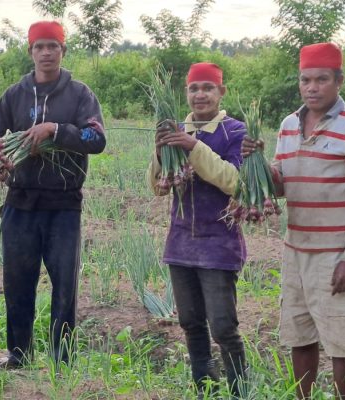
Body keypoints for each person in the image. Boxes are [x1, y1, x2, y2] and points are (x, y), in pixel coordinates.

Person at [243, 42, 345, 399]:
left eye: (322, 79)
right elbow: (282, 184)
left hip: (335, 254)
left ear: (339, 81)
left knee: (343, 342)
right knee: (299, 335)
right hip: (296, 249)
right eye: (306, 80)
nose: (313, 87)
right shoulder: (289, 124)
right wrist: (257, 164)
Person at [0, 20, 106, 368]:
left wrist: (56, 130)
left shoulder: (80, 94)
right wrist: (4, 149)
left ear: (63, 51)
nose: (46, 52)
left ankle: (61, 360)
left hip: (63, 206)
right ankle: (18, 355)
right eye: (40, 47)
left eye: (53, 46)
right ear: (31, 52)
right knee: (17, 282)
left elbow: (96, 140)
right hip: (20, 203)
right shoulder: (14, 94)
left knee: (64, 287)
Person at [146, 63, 247, 398]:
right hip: (181, 242)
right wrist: (161, 153)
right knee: (190, 322)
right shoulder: (174, 129)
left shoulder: (235, 132)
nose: (200, 94)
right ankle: (206, 388)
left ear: (221, 92)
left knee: (223, 326)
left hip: (219, 244)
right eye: (194, 88)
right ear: (186, 93)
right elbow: (158, 187)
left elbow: (235, 182)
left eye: (208, 87)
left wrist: (193, 147)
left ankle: (239, 389)